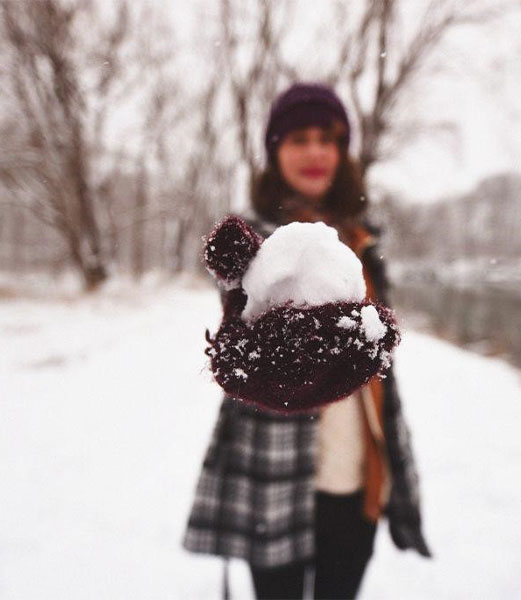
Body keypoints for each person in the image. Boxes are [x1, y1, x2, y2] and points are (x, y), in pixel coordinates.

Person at [183, 82, 431, 600]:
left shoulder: (363, 240)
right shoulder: (253, 241)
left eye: (328, 137)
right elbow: (235, 325)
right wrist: (246, 337)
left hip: (356, 472)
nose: (316, 151)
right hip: (270, 477)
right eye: (299, 138)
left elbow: (383, 374)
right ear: (275, 151)